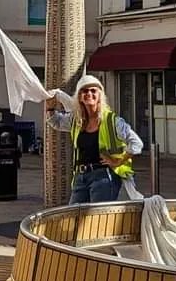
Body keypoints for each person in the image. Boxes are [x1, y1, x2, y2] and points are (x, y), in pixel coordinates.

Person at [46, 75, 143, 204]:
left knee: (98, 221)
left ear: (100, 95)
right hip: (80, 177)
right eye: (85, 91)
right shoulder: (76, 120)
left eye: (93, 90)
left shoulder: (112, 121)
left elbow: (137, 143)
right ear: (79, 97)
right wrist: (50, 108)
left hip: (103, 177)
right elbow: (56, 122)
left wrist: (119, 160)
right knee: (73, 217)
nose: (89, 94)